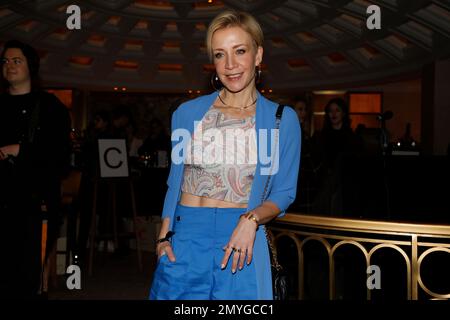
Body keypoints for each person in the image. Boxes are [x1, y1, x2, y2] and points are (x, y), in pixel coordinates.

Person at [149, 10, 301, 300]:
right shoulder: (187, 114)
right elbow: (175, 182)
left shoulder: (282, 119)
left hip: (239, 240)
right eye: (220, 55)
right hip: (185, 238)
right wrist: (162, 238)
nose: (230, 65)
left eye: (240, 51)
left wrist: (252, 220)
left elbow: (284, 192)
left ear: (258, 56)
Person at [0, 40, 71, 299]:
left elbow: (61, 156)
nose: (9, 66)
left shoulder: (51, 107)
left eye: (16, 60)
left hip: (34, 206)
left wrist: (18, 150)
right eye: (5, 61)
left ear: (31, 65)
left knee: (27, 278)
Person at [311, 98, 364, 216]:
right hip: (325, 187)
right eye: (331, 111)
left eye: (337, 110)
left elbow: (356, 166)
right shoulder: (320, 137)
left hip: (347, 189)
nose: (333, 114)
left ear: (343, 113)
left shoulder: (353, 138)